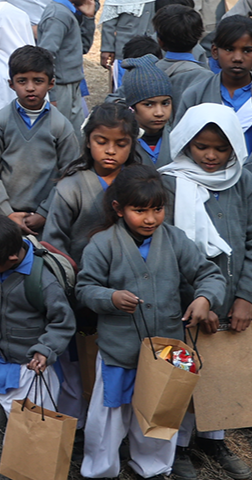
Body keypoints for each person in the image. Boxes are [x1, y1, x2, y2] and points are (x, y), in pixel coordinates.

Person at [76, 165, 224, 480]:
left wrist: (204, 298)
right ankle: (100, 469)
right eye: (139, 210)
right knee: (109, 414)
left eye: (157, 209)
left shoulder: (174, 239)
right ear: (118, 209)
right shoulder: (102, 244)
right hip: (119, 350)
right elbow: (85, 288)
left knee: (159, 411)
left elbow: (207, 273)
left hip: (166, 349)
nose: (150, 218)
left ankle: (154, 467)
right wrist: (111, 298)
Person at [158, 105, 252, 479]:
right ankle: (178, 447)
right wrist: (200, 299)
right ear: (185, 144)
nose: (211, 157)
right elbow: (166, 248)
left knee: (221, 371)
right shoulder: (169, 183)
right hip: (186, 302)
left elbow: (249, 240)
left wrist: (245, 296)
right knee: (182, 373)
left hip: (233, 300)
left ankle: (213, 438)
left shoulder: (242, 181)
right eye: (201, 147)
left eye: (221, 149)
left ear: (234, 150)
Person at [0, 215, 75, 417]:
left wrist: (45, 349)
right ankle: (7, 411)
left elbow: (62, 322)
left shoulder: (43, 281)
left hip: (28, 359)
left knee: (30, 417)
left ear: (11, 259)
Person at [0, 46, 80, 235]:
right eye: (22, 81)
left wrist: (44, 212)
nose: (30, 87)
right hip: (5, 217)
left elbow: (70, 174)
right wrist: (7, 212)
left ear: (51, 83)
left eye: (38, 81)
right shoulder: (1, 121)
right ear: (11, 84)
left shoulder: (60, 126)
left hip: (46, 219)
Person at [43, 103, 141, 263]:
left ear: (131, 145)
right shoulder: (70, 187)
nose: (110, 150)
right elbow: (54, 242)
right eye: (101, 142)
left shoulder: (140, 182)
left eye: (121, 144)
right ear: (88, 141)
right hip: (81, 276)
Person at [37, 0, 97, 130]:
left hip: (72, 84)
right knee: (63, 136)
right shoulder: (58, 15)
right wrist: (52, 93)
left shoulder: (68, 13)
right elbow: (46, 56)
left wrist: (89, 18)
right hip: (61, 88)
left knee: (74, 135)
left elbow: (83, 47)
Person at [179, 16, 252, 154]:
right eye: (229, 49)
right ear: (214, 52)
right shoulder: (195, 95)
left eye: (247, 50)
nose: (237, 58)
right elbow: (180, 145)